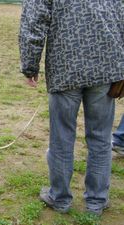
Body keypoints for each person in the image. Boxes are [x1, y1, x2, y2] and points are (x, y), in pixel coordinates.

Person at [19, 0, 124, 215]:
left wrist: (30, 65)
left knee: (62, 137)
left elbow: (34, 22)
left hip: (65, 66)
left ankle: (60, 198)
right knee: (100, 138)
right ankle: (96, 201)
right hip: (105, 66)